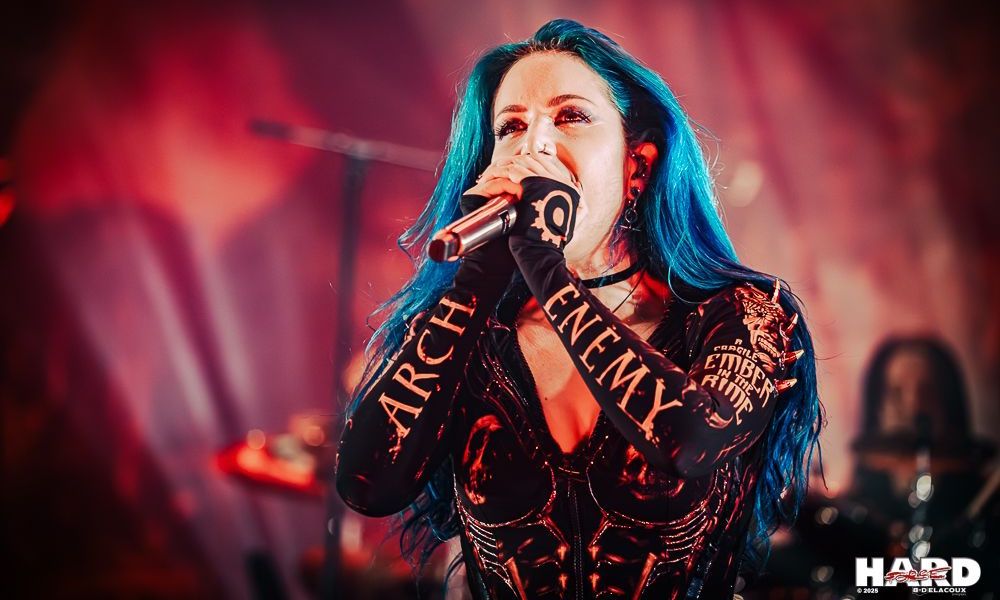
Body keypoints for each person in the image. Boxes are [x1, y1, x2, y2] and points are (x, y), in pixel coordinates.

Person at [336, 19, 822, 599]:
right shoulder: (471, 328)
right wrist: (479, 278)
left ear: (637, 165)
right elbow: (368, 485)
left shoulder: (744, 312)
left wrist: (545, 267)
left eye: (570, 117)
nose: (533, 146)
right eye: (511, 127)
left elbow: (689, 439)